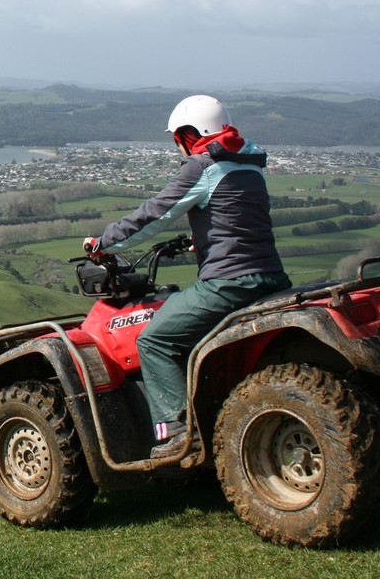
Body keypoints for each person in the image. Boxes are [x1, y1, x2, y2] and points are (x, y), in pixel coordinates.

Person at [83, 95, 291, 459]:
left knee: (154, 340)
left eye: (177, 138)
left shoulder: (203, 165)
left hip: (229, 283)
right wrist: (204, 238)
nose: (177, 147)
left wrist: (104, 243)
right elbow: (238, 219)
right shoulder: (249, 163)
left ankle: (177, 432)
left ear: (189, 134)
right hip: (271, 276)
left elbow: (154, 215)